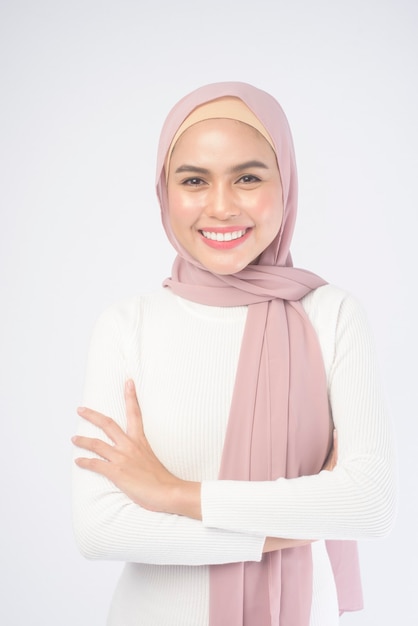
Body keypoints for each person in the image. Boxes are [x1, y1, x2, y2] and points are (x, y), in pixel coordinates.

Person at [72, 82, 396, 626]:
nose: (221, 206)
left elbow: (370, 506)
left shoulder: (331, 315)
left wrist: (173, 493)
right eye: (194, 180)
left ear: (285, 183)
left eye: (248, 177)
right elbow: (100, 529)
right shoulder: (128, 326)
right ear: (164, 191)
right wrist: (299, 522)